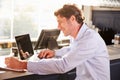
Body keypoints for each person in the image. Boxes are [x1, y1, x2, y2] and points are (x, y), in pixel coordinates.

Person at [5, 4, 110, 80]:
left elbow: (63, 65)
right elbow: (73, 49)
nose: (58, 27)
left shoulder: (90, 38)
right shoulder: (79, 36)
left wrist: (22, 65)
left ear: (72, 19)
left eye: (60, 22)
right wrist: (55, 53)